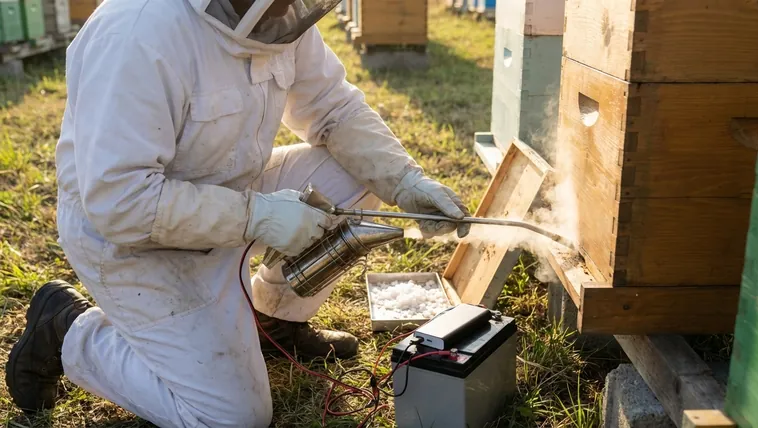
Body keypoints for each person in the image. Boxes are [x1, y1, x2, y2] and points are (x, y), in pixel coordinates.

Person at [5, 0, 471, 426]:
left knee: (354, 172)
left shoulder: (280, 19)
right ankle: (69, 328)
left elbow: (333, 107)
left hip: (233, 191)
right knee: (231, 418)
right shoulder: (138, 33)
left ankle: (277, 319)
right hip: (133, 239)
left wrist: (405, 181)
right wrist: (260, 217)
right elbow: (120, 201)